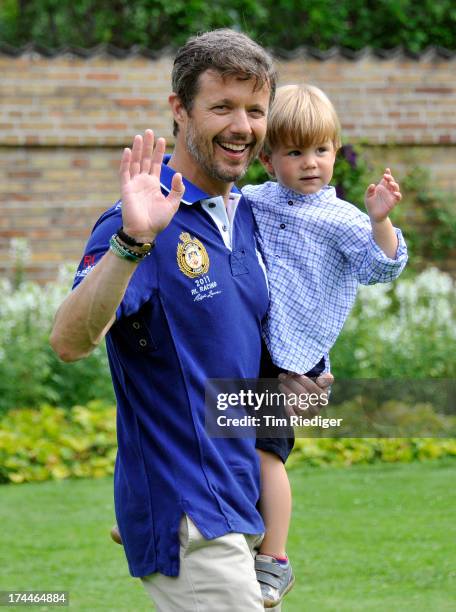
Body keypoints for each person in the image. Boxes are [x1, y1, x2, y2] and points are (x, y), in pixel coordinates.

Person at [50, 31, 332, 611]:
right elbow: (69, 342)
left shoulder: (250, 219)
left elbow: (222, 374)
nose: (242, 126)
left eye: (255, 110)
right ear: (180, 110)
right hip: (191, 520)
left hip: (240, 509)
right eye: (222, 107)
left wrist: (291, 394)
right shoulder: (137, 221)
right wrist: (132, 242)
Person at [242, 83, 409, 604]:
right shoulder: (252, 201)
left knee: (268, 454)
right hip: (252, 341)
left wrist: (381, 221)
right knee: (210, 429)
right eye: (294, 152)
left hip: (296, 353)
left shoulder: (342, 219)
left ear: (336, 151)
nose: (310, 163)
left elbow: (384, 266)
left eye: (321, 150)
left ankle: (274, 558)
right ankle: (168, 517)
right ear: (268, 160)